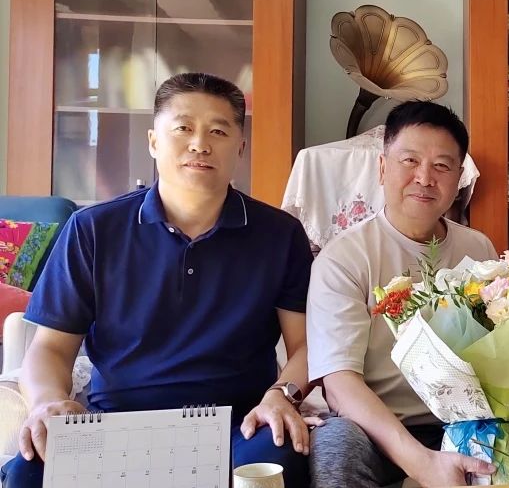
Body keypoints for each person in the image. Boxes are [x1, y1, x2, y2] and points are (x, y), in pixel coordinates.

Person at [0, 73, 319, 488]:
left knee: (275, 464)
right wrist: (48, 402)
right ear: (153, 141)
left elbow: (306, 345)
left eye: (218, 131)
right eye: (183, 128)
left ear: (240, 147)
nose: (199, 144)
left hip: (238, 424)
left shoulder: (280, 234)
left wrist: (281, 395)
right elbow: (50, 349)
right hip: (115, 425)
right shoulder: (93, 229)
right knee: (28, 473)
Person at [307, 101, 499, 487]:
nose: (424, 178)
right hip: (376, 427)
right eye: (409, 160)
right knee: (336, 444)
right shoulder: (344, 257)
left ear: (459, 178)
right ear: (382, 168)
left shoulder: (478, 250)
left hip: (461, 421)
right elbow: (340, 384)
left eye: (442, 165)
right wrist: (422, 462)